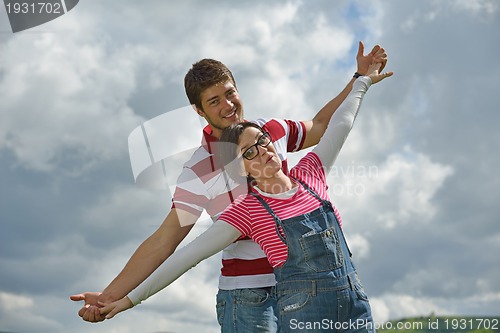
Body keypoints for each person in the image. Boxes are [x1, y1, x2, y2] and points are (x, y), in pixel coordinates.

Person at [71, 42, 388, 332]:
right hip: (250, 298)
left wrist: (359, 77)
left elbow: (321, 128)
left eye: (230, 93)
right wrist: (113, 295)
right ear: (199, 110)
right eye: (213, 101)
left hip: (311, 285)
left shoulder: (268, 131)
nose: (227, 105)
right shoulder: (200, 168)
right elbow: (166, 241)